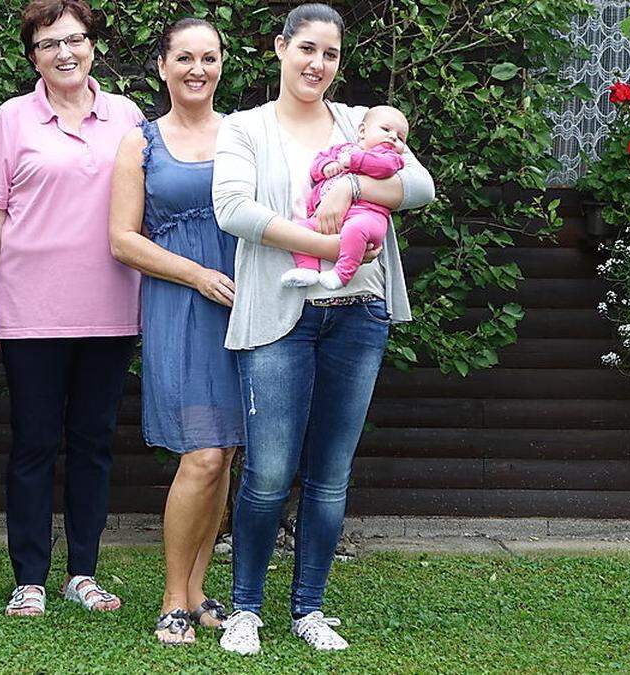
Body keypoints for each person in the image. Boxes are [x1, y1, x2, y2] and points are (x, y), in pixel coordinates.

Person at [211, 3, 436, 654]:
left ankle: (309, 608)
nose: (317, 63)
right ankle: (246, 609)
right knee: (269, 472)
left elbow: (417, 186)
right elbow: (233, 208)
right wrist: (318, 234)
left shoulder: (360, 123)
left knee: (331, 474)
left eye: (331, 54)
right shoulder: (244, 128)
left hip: (357, 311)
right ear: (280, 48)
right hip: (279, 312)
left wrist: (350, 188)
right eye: (306, 48)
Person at [0, 0, 144, 617]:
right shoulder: (12, 119)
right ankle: (30, 578)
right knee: (34, 444)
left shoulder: (126, 117)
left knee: (94, 444)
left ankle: (84, 572)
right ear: (32, 56)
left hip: (111, 309)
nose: (64, 53)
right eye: (48, 45)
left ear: (92, 44)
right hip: (30, 312)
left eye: (74, 40)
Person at [108, 18, 241, 645]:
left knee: (227, 458)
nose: (197, 69)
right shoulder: (140, 143)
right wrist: (196, 275)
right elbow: (121, 238)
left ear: (222, 65)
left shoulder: (244, 136)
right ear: (162, 66)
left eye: (209, 58)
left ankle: (198, 589)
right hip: (182, 305)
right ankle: (172, 598)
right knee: (203, 452)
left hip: (244, 304)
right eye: (184, 57)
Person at [281, 105, 410, 290]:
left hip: (367, 217)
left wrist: (354, 161)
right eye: (386, 130)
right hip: (325, 219)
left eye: (400, 138)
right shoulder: (341, 150)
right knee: (301, 229)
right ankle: (307, 270)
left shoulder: (391, 157)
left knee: (355, 230)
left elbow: (384, 167)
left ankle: (341, 274)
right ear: (363, 131)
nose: (392, 137)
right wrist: (326, 166)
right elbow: (317, 164)